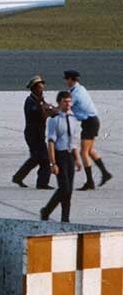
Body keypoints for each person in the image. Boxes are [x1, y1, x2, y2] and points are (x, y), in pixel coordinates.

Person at [64, 69, 112, 190]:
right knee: (89, 151)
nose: (65, 81)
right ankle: (105, 173)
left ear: (71, 79)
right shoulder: (80, 89)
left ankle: (90, 182)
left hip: (89, 122)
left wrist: (53, 111)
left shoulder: (75, 94)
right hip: (92, 121)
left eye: (66, 79)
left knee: (83, 152)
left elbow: (66, 108)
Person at [42, 90, 84, 222]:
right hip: (59, 155)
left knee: (69, 190)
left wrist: (77, 159)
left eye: (69, 101)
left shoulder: (73, 119)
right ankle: (47, 210)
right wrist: (52, 163)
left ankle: (65, 218)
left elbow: (73, 141)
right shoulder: (54, 120)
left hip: (70, 155)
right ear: (59, 103)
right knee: (63, 188)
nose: (68, 104)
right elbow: (51, 142)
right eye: (65, 102)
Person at [11, 75, 54, 189]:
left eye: (42, 87)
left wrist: (53, 110)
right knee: (44, 159)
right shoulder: (30, 101)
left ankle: (18, 177)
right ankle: (42, 183)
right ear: (34, 88)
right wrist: (50, 111)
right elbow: (40, 113)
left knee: (36, 158)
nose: (42, 89)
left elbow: (47, 109)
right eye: (39, 87)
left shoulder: (39, 100)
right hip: (33, 134)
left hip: (38, 134)